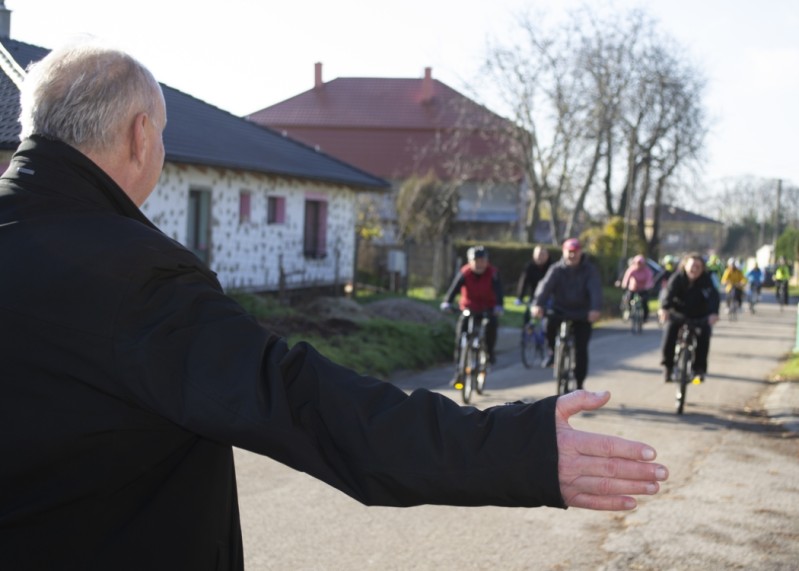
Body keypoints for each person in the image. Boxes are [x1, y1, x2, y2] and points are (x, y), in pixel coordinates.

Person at [0, 42, 668, 570]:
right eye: (165, 137)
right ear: (142, 135)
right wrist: (517, 450)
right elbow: (307, 406)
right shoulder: (133, 276)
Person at [531, 238, 603, 390]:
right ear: (564, 252)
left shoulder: (589, 270)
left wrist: (595, 309)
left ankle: (579, 383)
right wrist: (537, 304)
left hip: (582, 313)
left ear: (580, 252)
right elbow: (545, 287)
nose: (572, 255)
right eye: (569, 252)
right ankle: (553, 352)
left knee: (581, 349)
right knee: (548, 325)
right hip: (560, 310)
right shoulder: (556, 269)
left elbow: (595, 290)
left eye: (575, 252)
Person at [441, 246, 504, 384]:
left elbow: (499, 292)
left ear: (487, 261)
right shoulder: (465, 273)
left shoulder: (493, 273)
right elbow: (453, 289)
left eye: (482, 261)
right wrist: (447, 302)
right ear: (470, 261)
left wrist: (499, 306)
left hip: (488, 308)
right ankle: (458, 371)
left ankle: (489, 354)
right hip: (469, 308)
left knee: (491, 325)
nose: (479, 264)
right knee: (460, 337)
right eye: (476, 261)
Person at [658, 254, 720, 384]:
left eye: (698, 267)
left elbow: (714, 297)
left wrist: (714, 313)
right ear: (685, 266)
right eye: (692, 266)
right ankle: (668, 366)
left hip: (700, 316)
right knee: (669, 331)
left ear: (703, 268)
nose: (695, 269)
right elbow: (668, 293)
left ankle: (699, 370)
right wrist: (664, 308)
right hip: (678, 314)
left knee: (704, 335)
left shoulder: (707, 280)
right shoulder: (677, 278)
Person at [514, 245, 553, 324]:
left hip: (550, 298)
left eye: (542, 254)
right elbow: (523, 283)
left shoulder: (553, 268)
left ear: (547, 255)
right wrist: (520, 297)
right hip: (535, 297)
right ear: (534, 255)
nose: (540, 257)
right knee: (528, 316)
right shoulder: (529, 267)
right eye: (538, 254)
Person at [618, 254, 654, 322]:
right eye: (637, 263)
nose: (639, 265)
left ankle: (645, 318)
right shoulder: (631, 269)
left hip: (643, 289)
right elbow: (626, 278)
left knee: (644, 302)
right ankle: (628, 311)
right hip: (633, 288)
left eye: (640, 263)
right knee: (629, 299)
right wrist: (624, 285)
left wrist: (649, 286)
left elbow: (650, 279)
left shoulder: (646, 270)